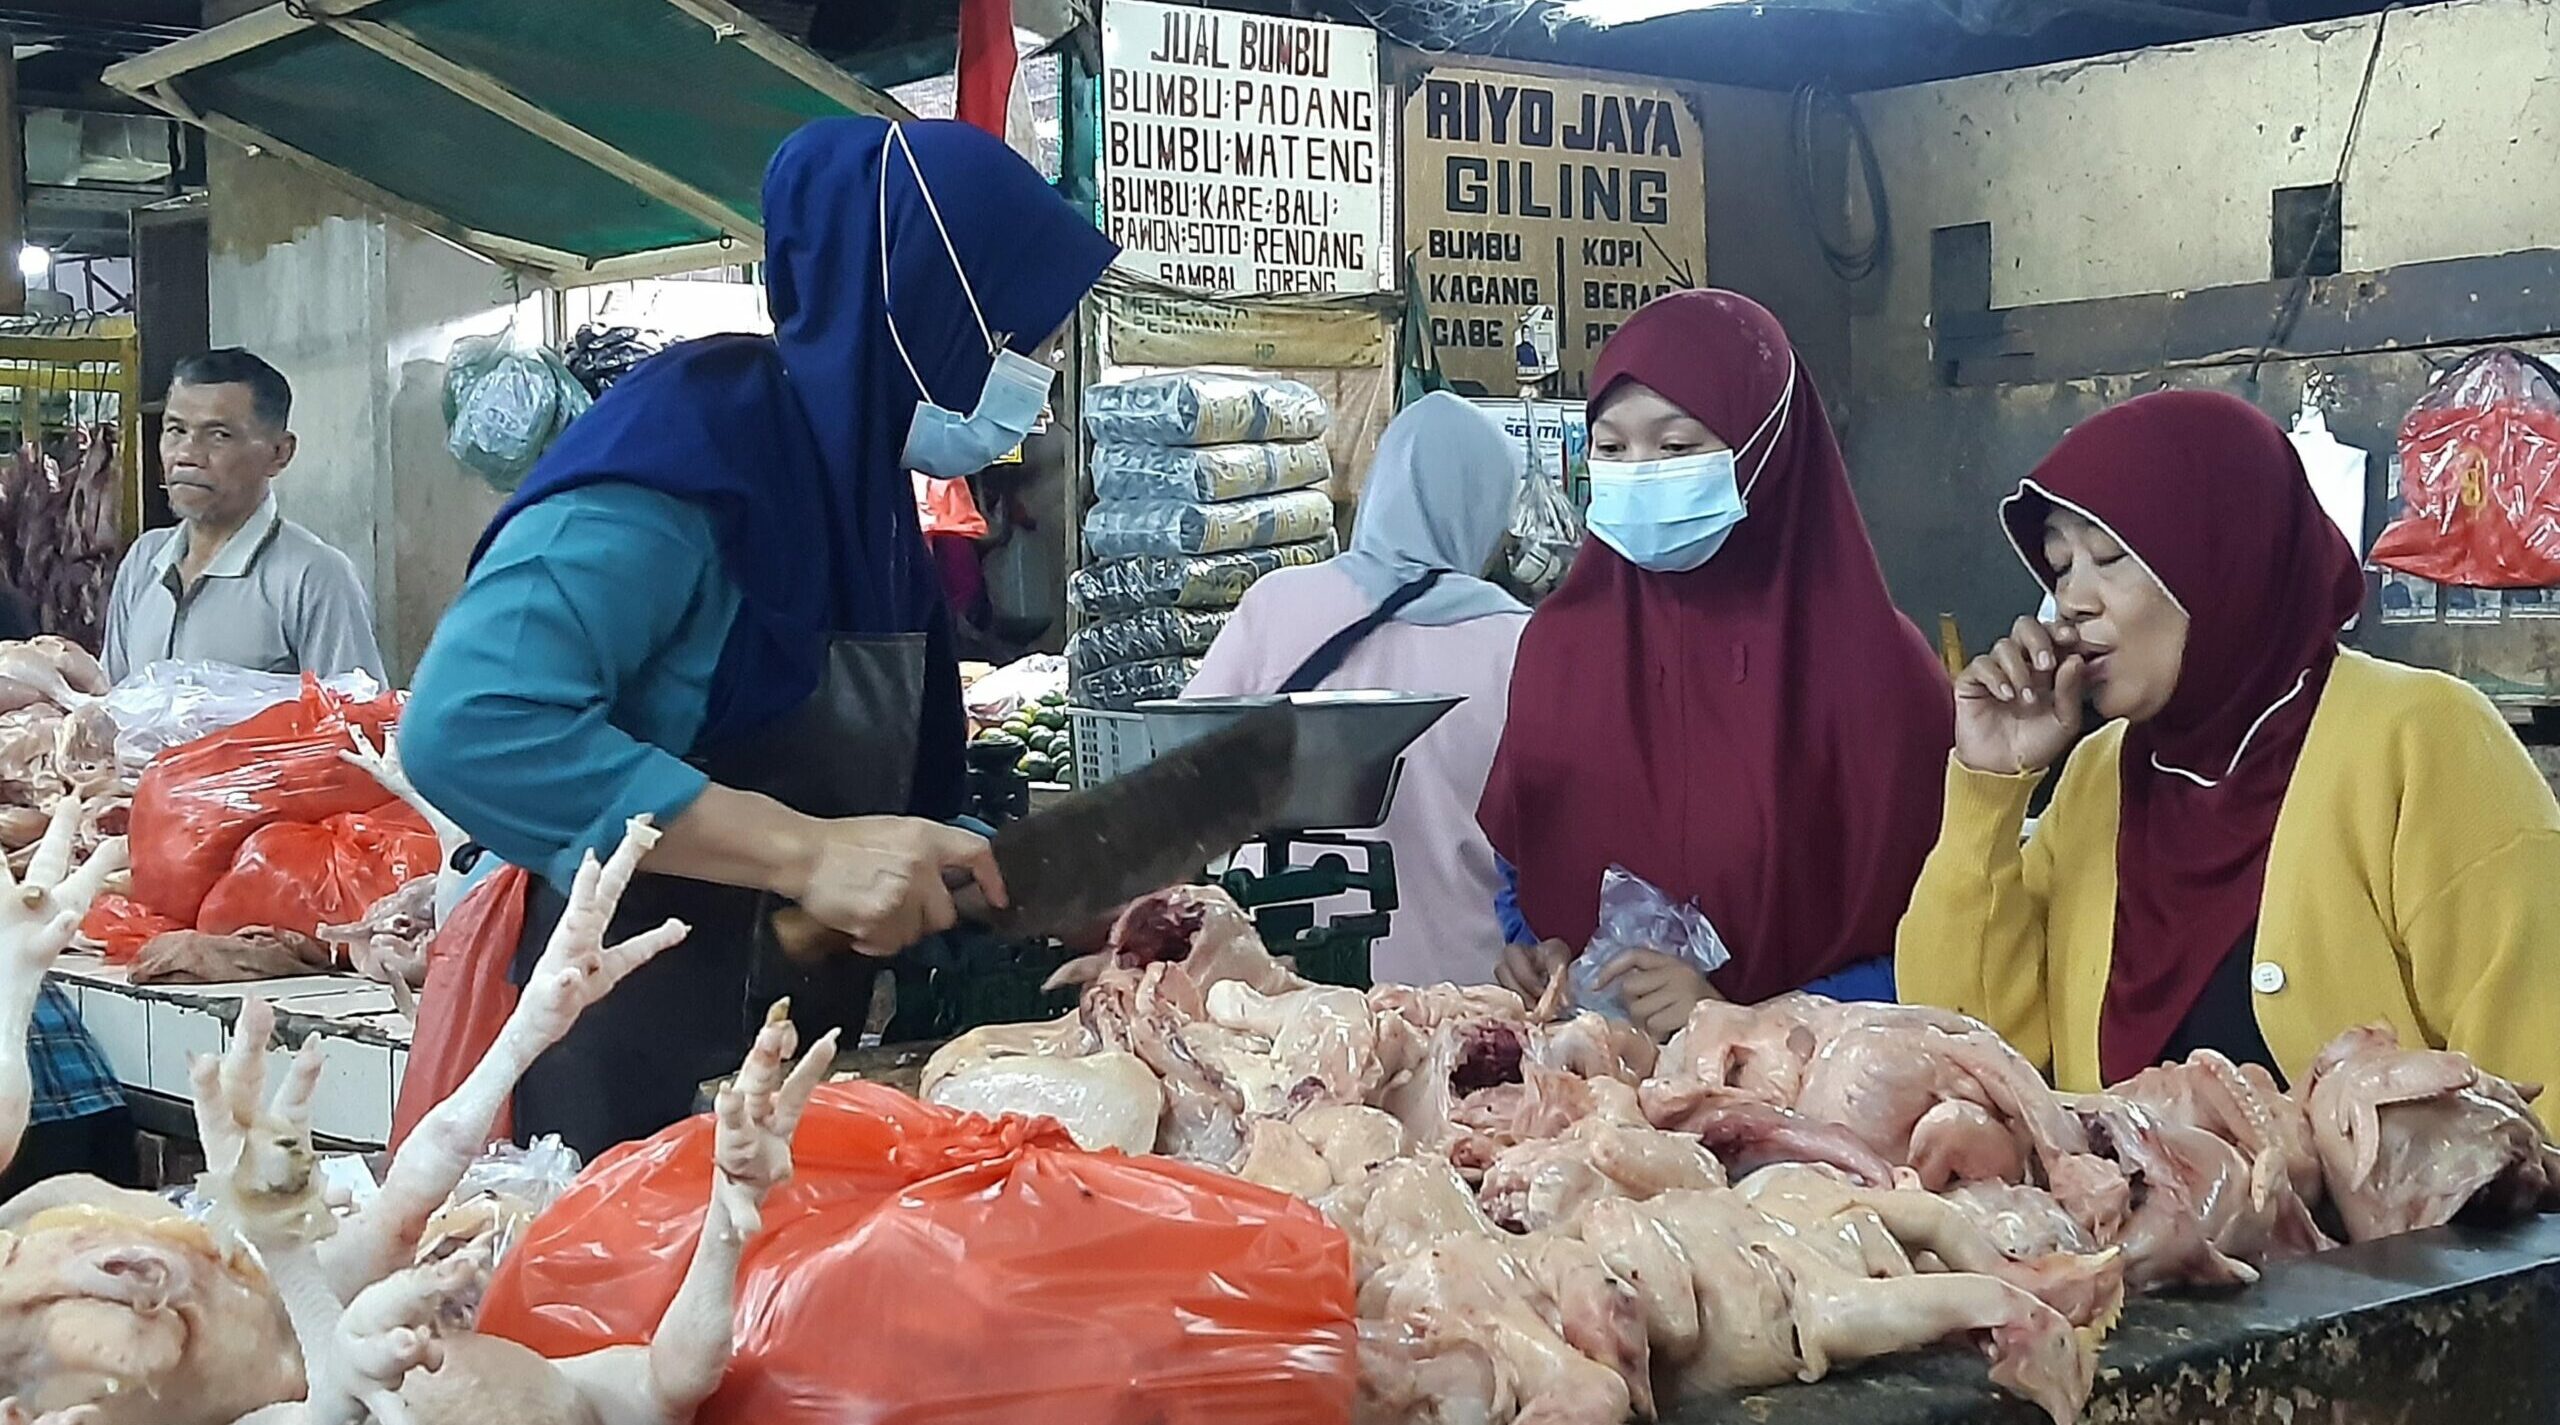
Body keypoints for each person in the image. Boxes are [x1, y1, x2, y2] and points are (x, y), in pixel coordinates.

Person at [400, 117, 1114, 1158]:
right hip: (626, 1061)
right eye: (1026, 338)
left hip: (778, 1062)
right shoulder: (692, 453)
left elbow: (874, 813)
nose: (1039, 376)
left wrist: (1029, 884)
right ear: (928, 309)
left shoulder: (861, 499)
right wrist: (806, 851)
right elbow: (471, 726)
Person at [1897, 390, 2560, 1094]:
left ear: (2224, 548)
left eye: (2110, 556)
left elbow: (2540, 1093)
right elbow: (1969, 1054)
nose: (2073, 600)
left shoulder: (2419, 739)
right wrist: (1988, 788)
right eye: (2061, 567)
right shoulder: (2097, 775)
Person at [1481, 291, 1953, 1039]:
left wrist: (1747, 1020)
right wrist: (1532, 953)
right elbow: (1523, 870)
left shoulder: (1876, 674)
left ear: (1766, 450)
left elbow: (1945, 948)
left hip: (1812, 1119)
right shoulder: (1558, 653)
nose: (1639, 473)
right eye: (1611, 447)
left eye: (1675, 448)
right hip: (1586, 1104)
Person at [1183, 392, 1531, 985]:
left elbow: (1183, 777)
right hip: (1467, 989)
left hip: (1272, 982)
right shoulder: (1522, 644)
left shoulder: (1279, 602)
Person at [102, 348, 385, 684]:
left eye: (219, 435)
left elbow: (358, 719)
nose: (187, 455)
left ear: (280, 453)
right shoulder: (144, 561)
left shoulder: (314, 577)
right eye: (176, 430)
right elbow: (111, 703)